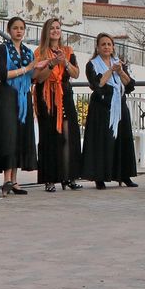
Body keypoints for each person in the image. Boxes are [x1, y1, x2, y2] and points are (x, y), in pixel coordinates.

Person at [82, 33, 138, 189]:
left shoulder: (118, 63)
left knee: (123, 140)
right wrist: (110, 71)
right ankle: (99, 176)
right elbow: (97, 84)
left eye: (109, 44)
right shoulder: (92, 64)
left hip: (119, 106)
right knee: (101, 142)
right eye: (103, 44)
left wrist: (120, 71)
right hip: (101, 109)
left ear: (113, 47)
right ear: (98, 47)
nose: (106, 47)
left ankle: (124, 175)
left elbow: (130, 85)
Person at [34, 18, 84, 192]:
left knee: (68, 136)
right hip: (47, 96)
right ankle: (50, 178)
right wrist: (52, 64)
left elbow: (76, 74)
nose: (55, 31)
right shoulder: (40, 52)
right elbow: (38, 78)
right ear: (47, 32)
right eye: (52, 28)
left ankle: (68, 176)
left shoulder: (68, 51)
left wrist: (65, 62)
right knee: (49, 137)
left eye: (58, 28)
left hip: (64, 95)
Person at [0, 15, 37, 195]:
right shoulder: (3, 48)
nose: (18, 31)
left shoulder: (28, 51)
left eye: (21, 28)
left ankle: (15, 180)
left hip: (24, 96)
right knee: (8, 136)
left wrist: (41, 67)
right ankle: (7, 179)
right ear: (9, 30)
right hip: (7, 95)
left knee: (20, 135)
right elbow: (3, 74)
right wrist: (26, 69)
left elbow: (32, 77)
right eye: (15, 28)